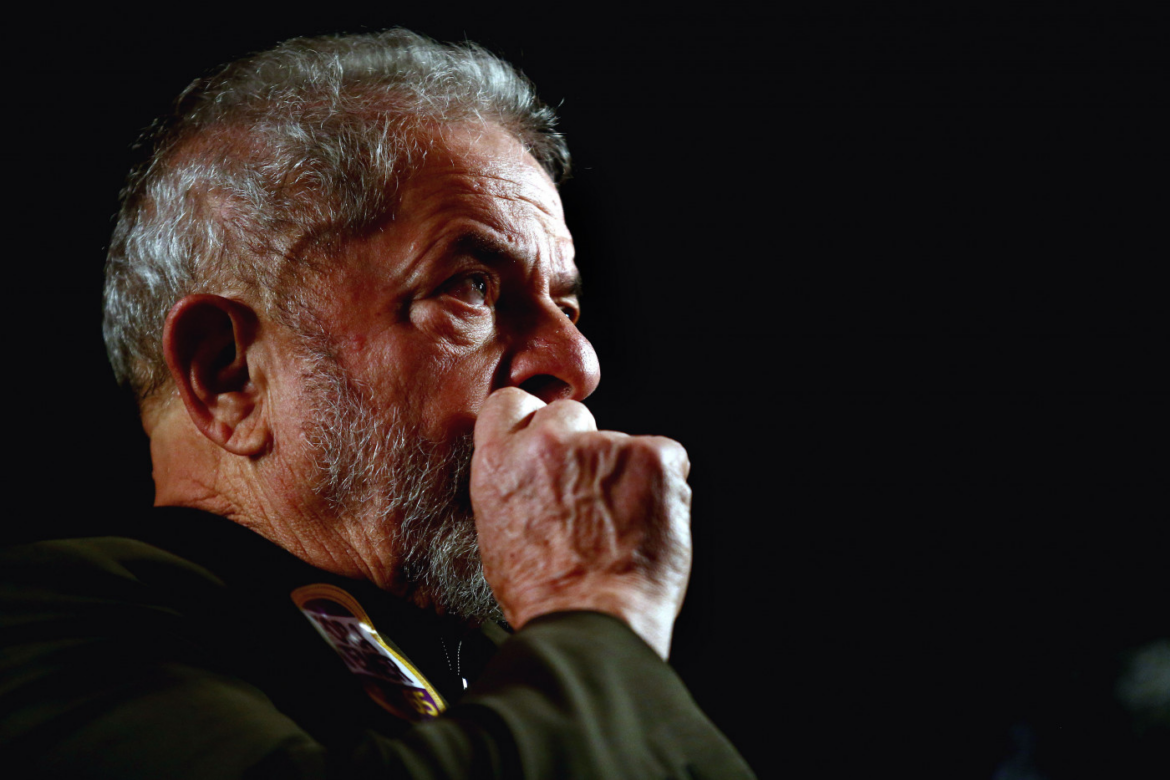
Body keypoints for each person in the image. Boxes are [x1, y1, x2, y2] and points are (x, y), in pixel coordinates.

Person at [0, 29, 755, 778]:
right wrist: (594, 609)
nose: (577, 365)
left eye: (568, 306)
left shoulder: (521, 655)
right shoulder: (47, 623)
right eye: (472, 287)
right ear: (229, 374)